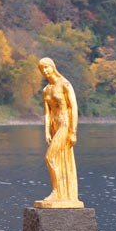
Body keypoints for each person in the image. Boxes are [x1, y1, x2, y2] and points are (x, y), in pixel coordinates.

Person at [34, 57, 84, 208]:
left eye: (46, 68)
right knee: (59, 159)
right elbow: (47, 113)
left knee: (50, 157)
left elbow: (74, 107)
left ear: (53, 67)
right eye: (42, 69)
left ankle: (57, 192)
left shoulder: (64, 84)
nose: (45, 71)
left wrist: (73, 131)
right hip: (54, 125)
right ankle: (63, 194)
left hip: (64, 123)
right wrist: (46, 132)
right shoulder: (46, 90)